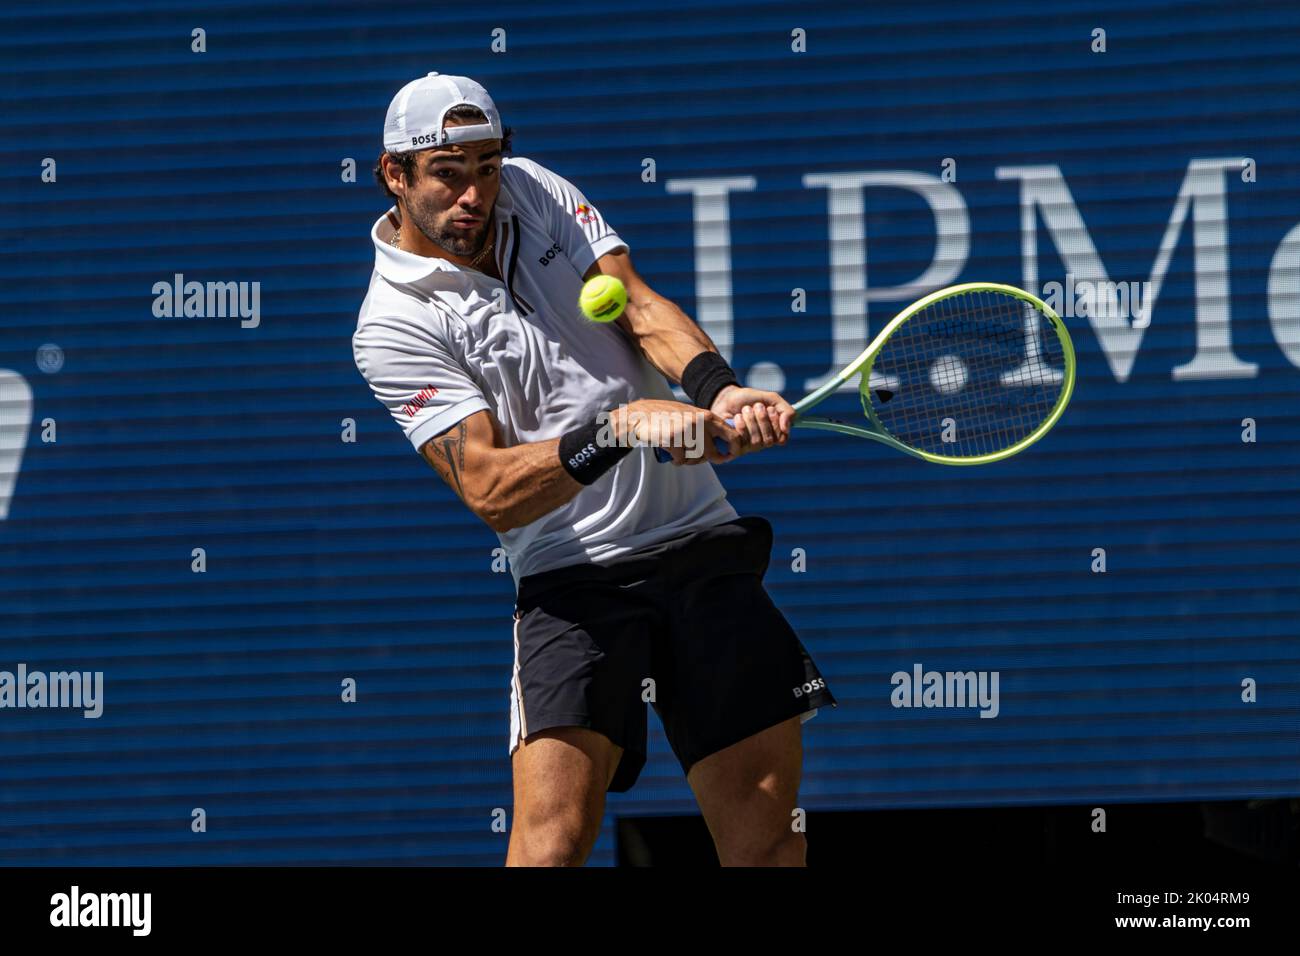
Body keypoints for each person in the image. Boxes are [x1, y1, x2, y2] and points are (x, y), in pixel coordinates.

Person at [352, 72, 836, 866]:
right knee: (550, 848)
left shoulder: (532, 190)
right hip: (572, 580)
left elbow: (637, 303)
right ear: (394, 176)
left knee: (770, 841)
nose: (473, 193)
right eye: (446, 172)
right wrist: (615, 429)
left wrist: (719, 391)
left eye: (486, 167)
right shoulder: (391, 324)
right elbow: (490, 489)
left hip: (700, 545)